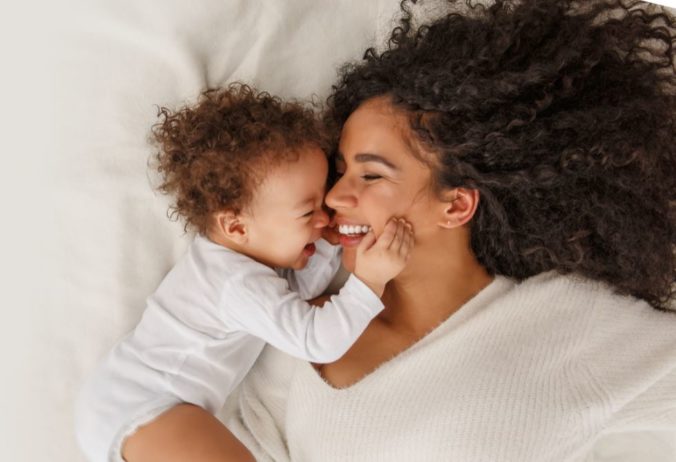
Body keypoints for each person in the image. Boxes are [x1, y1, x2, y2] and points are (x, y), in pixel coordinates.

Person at [119, 0, 676, 461]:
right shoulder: (300, 309)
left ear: (456, 205)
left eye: (370, 174)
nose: (336, 198)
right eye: (339, 171)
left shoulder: (566, 322)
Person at [74, 84, 415, 462]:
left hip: (133, 403)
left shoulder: (240, 261)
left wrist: (327, 243)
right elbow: (314, 337)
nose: (325, 218)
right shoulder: (234, 282)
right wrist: (369, 282)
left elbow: (295, 295)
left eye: (322, 202)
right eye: (308, 213)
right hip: (146, 405)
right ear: (236, 227)